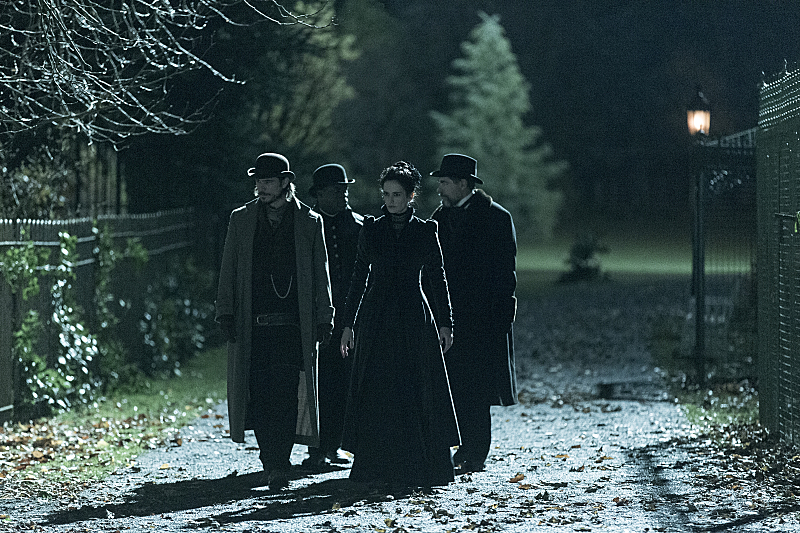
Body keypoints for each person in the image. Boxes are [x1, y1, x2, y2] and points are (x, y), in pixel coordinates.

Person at [215, 152, 334, 490]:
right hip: (254, 324)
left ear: (285, 182)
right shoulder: (242, 220)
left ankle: (279, 463)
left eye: (267, 181)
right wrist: (225, 311)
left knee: (285, 395)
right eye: (258, 181)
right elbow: (229, 269)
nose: (260, 187)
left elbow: (320, 274)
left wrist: (325, 317)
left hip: (293, 325)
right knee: (261, 395)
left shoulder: (309, 222)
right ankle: (272, 461)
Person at [339, 161, 459, 489]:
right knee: (378, 392)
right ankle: (376, 468)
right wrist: (348, 323)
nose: (391, 200)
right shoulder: (372, 229)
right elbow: (359, 277)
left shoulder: (425, 231)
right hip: (377, 318)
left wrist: (445, 323)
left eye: (397, 194)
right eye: (386, 194)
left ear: (410, 196)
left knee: (417, 389)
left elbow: (437, 277)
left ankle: (419, 468)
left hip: (414, 318)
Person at [429, 153, 518, 475]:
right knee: (452, 385)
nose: (439, 188)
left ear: (462, 184)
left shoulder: (495, 218)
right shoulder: (439, 218)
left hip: (481, 317)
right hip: (449, 316)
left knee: (477, 390)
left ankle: (475, 450)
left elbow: (504, 271)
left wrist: (499, 317)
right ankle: (460, 446)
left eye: (444, 182)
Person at [303, 164, 363, 469]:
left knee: (345, 382)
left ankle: (337, 443)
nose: (344, 195)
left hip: (350, 315)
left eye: (345, 189)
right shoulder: (306, 225)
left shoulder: (359, 225)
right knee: (316, 383)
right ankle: (316, 446)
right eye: (337, 190)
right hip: (315, 315)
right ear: (320, 194)